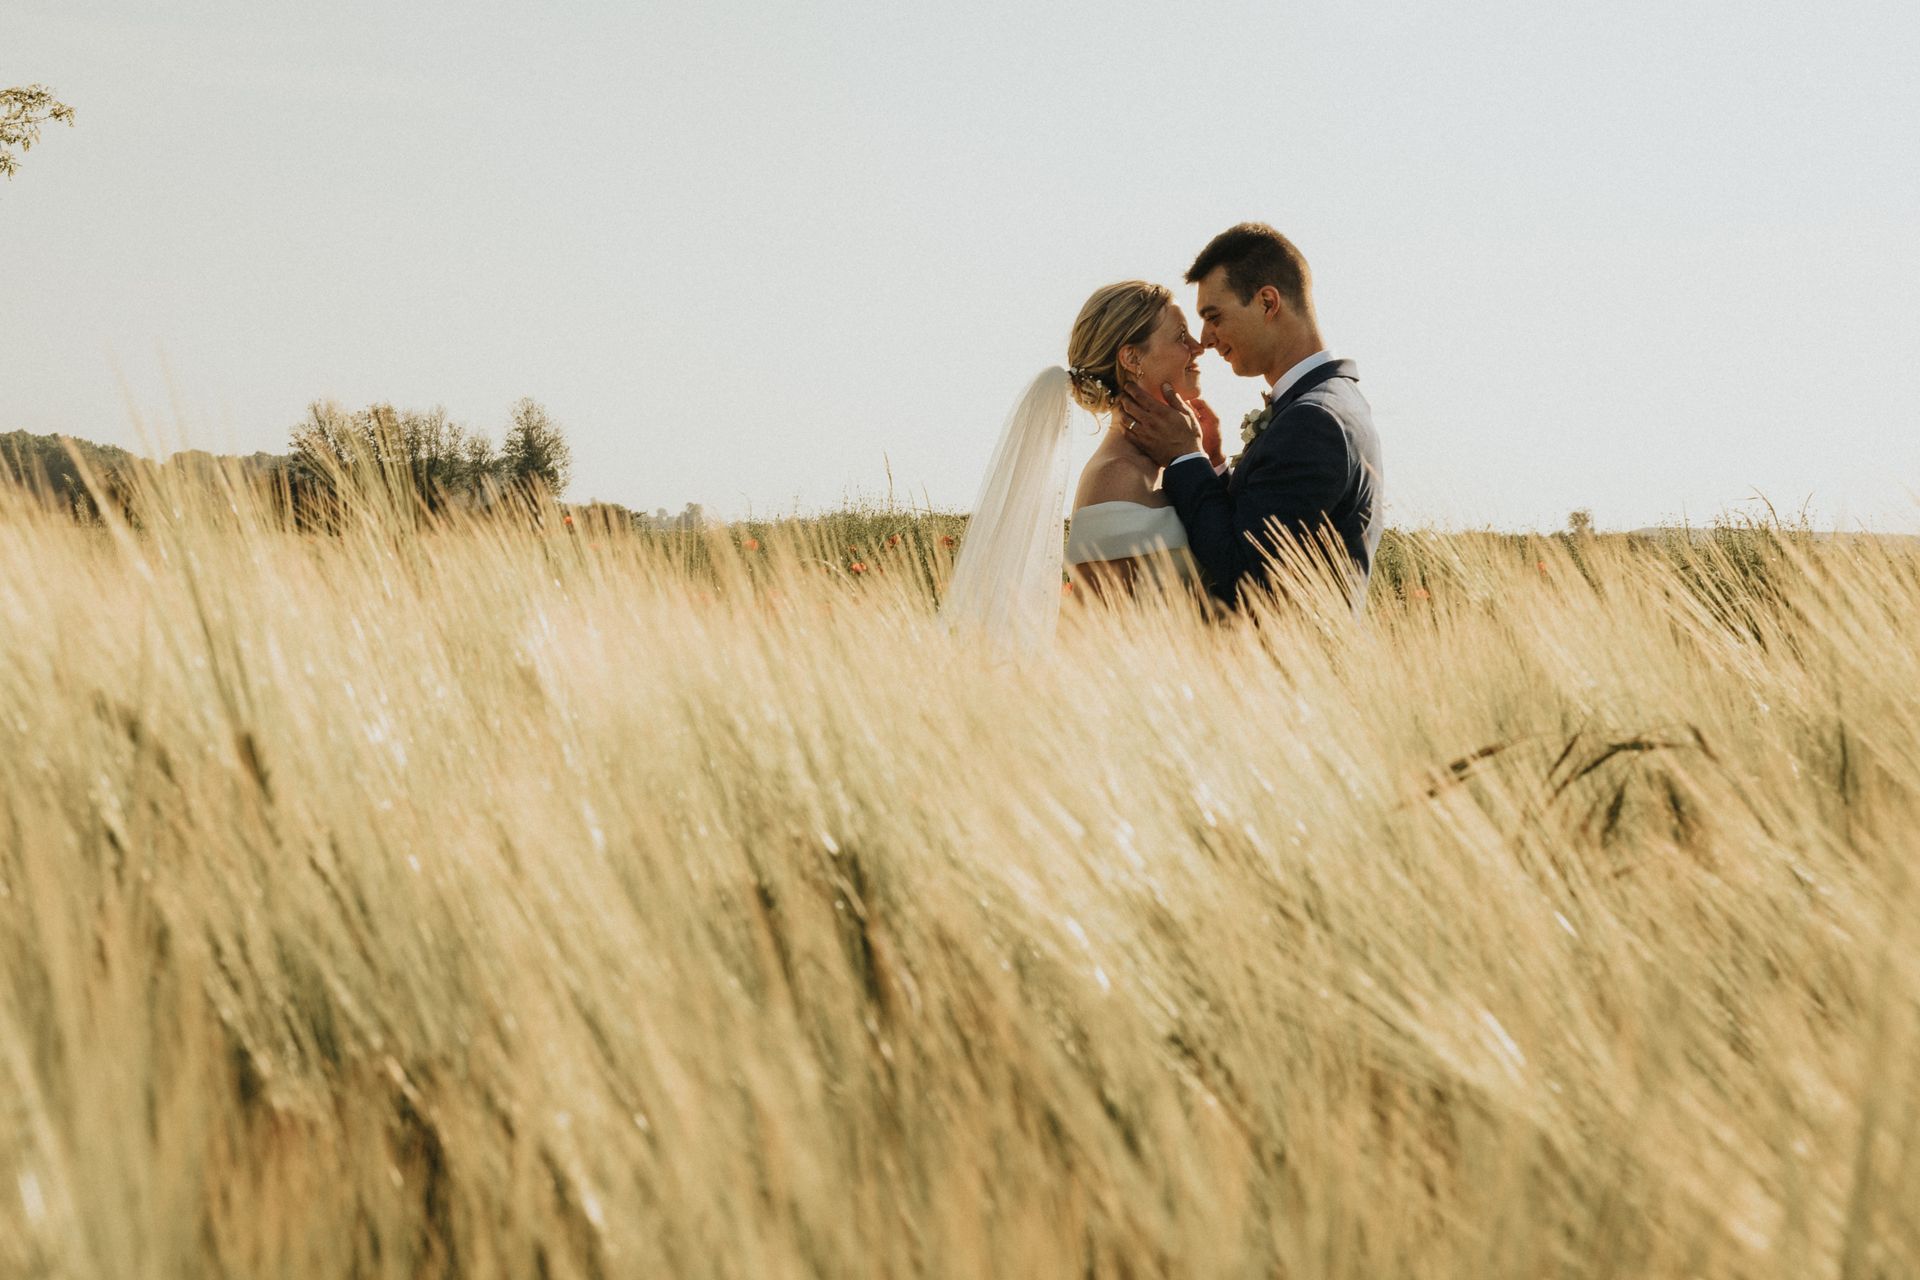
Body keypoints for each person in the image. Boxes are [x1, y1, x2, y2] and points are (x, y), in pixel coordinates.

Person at [1119, 223, 1383, 613]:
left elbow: (1245, 571)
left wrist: (1184, 456)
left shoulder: (1314, 422)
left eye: (1214, 316)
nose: (1205, 338)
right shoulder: (1326, 403)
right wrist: (1214, 464)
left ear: (1267, 302)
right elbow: (1266, 525)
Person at [940, 281, 1216, 653]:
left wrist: (1207, 459)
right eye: (1181, 336)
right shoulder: (1117, 476)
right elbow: (1094, 637)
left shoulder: (1164, 466)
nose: (1198, 347)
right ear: (1132, 359)